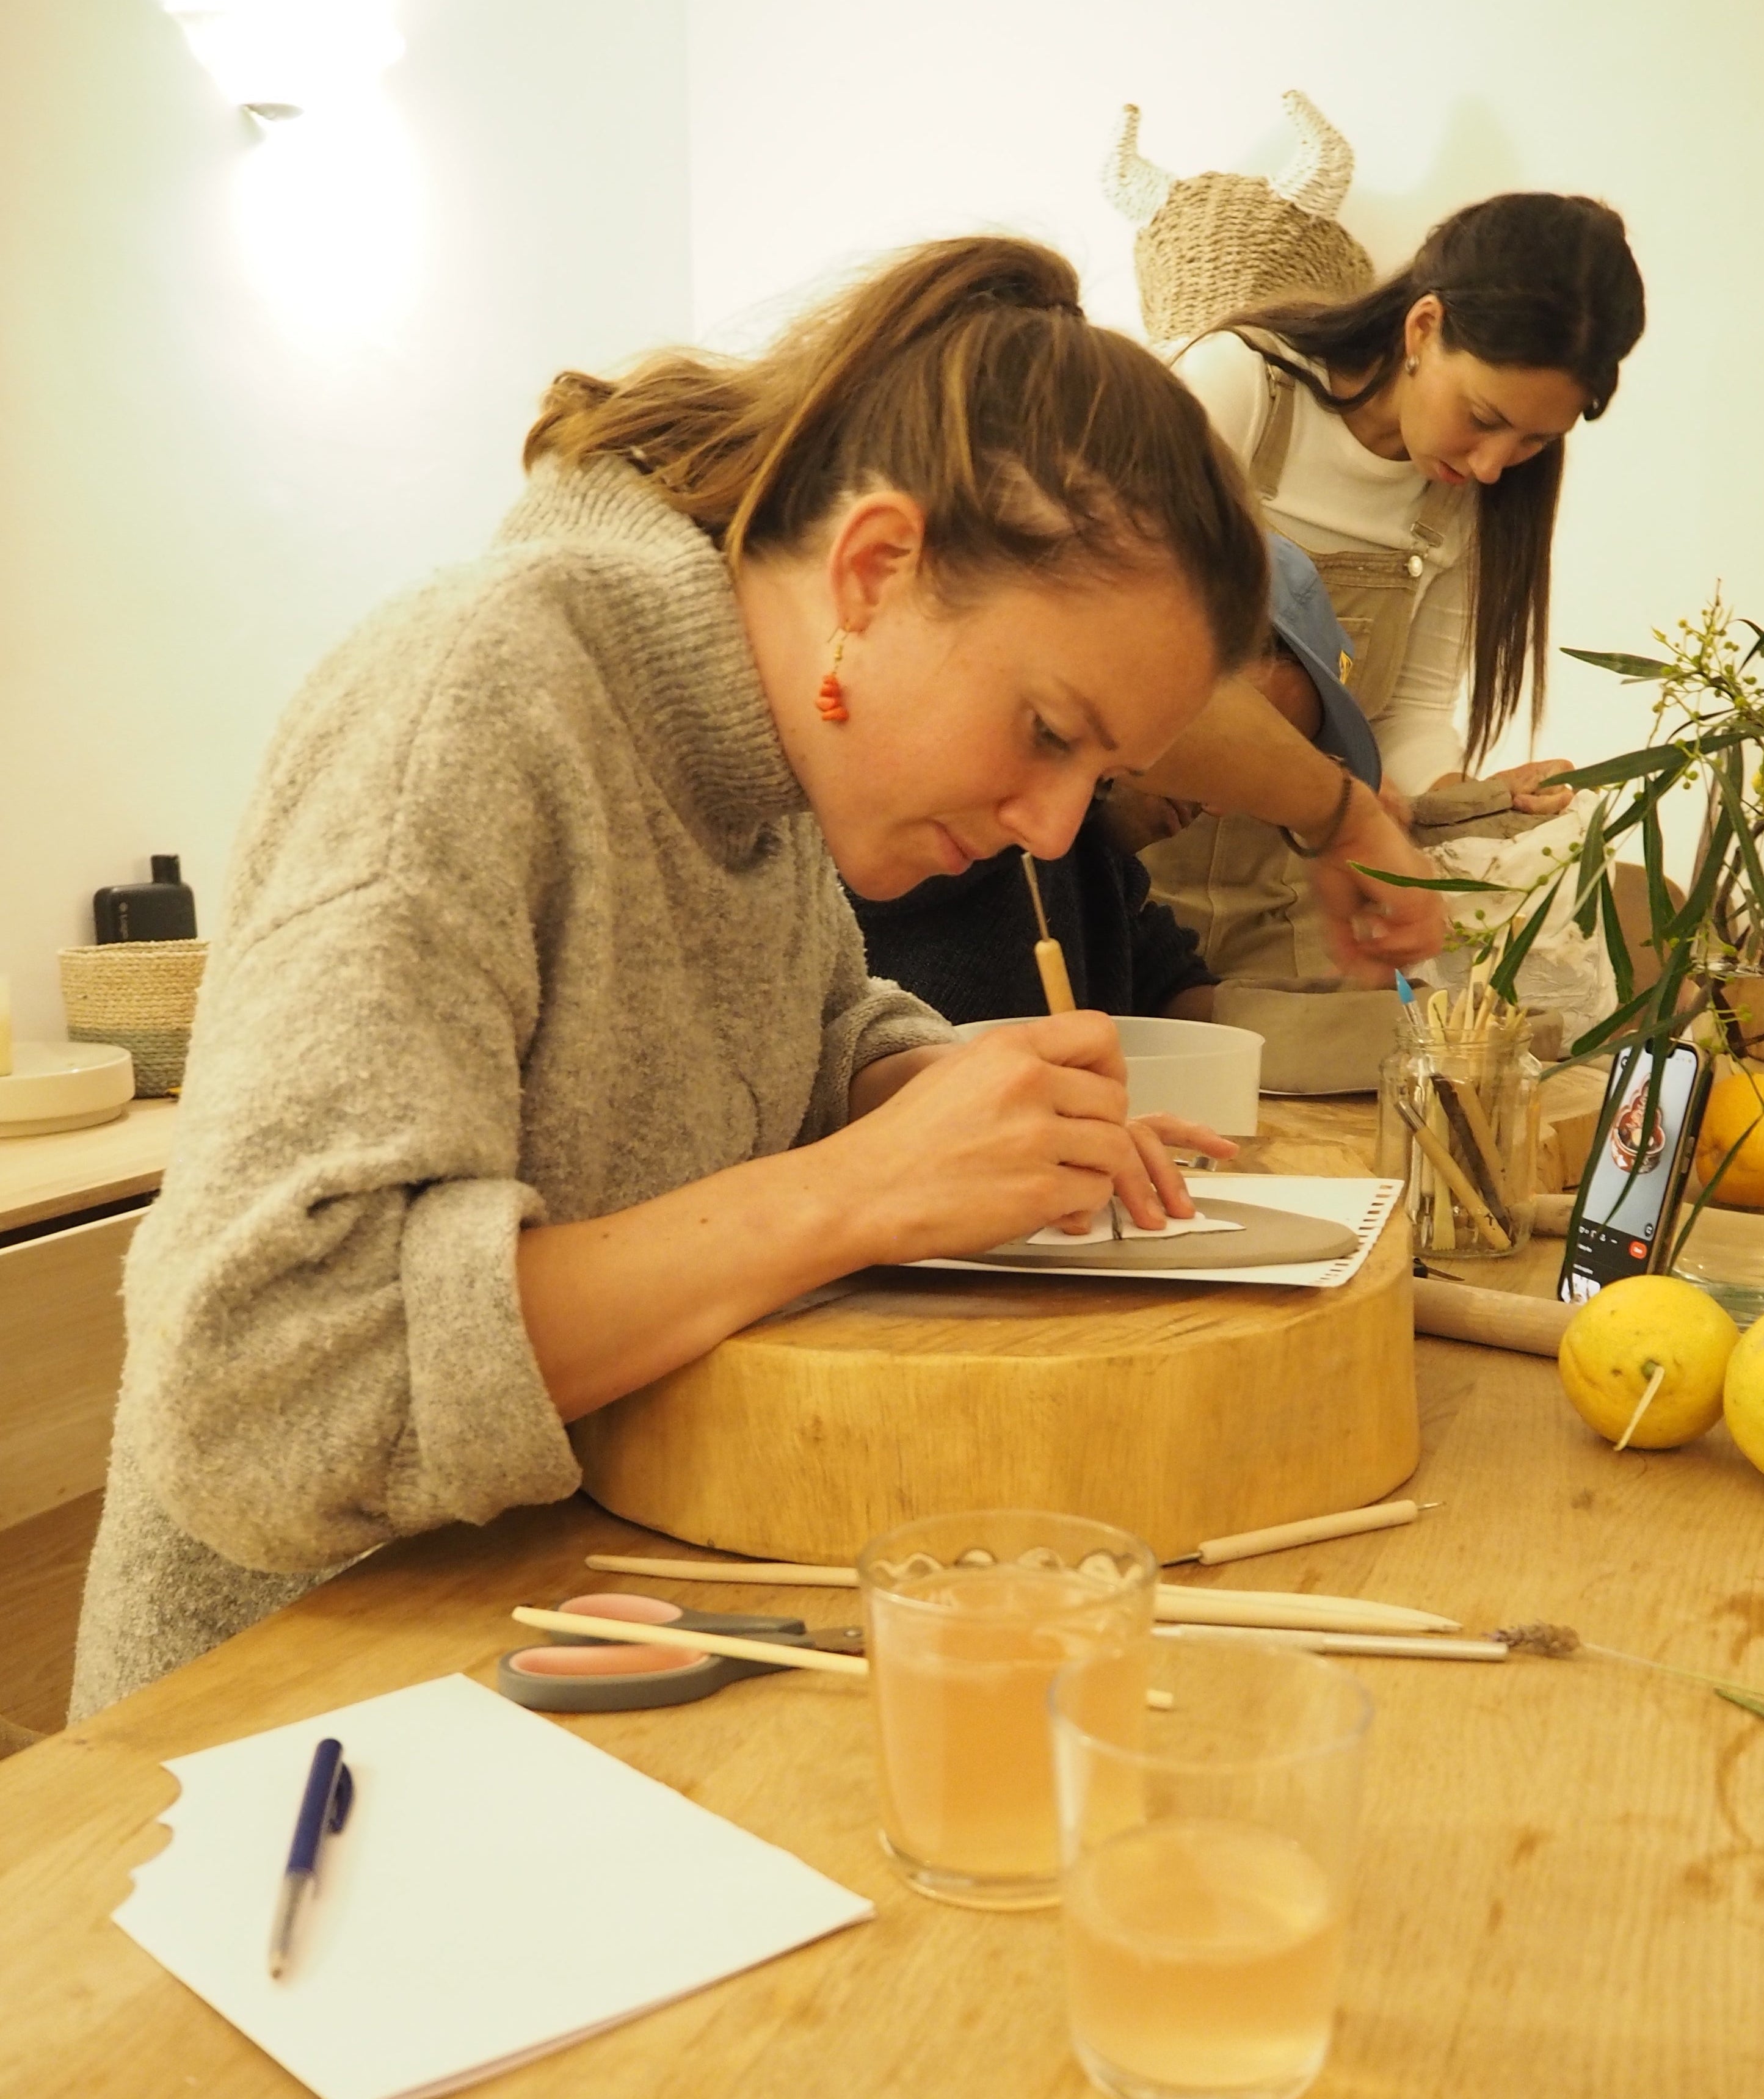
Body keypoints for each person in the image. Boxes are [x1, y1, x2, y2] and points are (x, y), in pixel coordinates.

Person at [68, 236, 1274, 1716]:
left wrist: (931, 1083)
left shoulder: (761, 768)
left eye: (1100, 775)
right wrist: (860, 1189)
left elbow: (803, 1019)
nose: (1049, 824)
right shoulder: (481, 700)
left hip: (578, 1620)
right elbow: (269, 1392)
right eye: (1045, 729)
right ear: (875, 570)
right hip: (291, 1718)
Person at [1147, 191, 1647, 982]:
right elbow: (1130, 664)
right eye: (1483, 416)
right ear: (1423, 328)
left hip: (1295, 890)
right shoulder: (1237, 388)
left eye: (1532, 442)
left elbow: (1404, 718)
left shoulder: (1459, 503)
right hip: (1129, 860)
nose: (1490, 465)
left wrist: (1468, 804)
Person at [852, 534, 1393, 1025]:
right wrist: (1341, 814)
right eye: (1251, 750)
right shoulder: (965, 807)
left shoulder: (1097, 866)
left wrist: (1347, 1027)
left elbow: (1166, 987)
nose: (1226, 802)